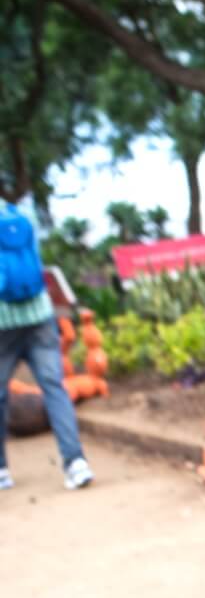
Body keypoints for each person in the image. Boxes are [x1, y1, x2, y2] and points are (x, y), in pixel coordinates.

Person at [0, 200, 94, 491]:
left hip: (3, 321)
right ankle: (76, 463)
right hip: (39, 314)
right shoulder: (21, 215)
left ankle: (2, 469)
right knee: (54, 387)